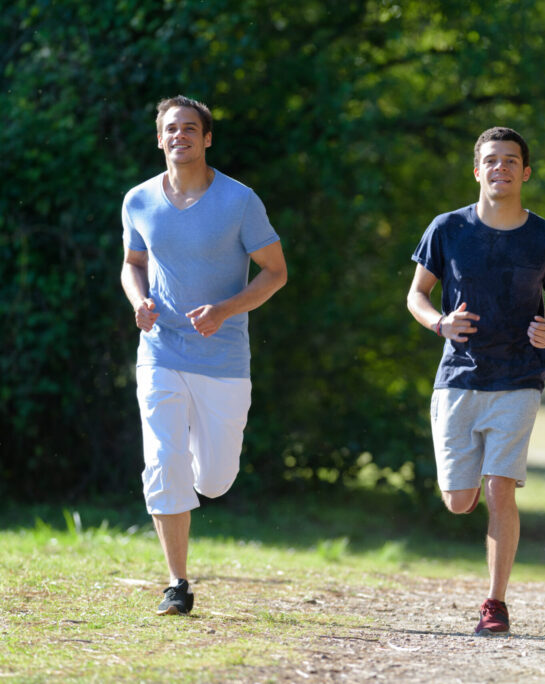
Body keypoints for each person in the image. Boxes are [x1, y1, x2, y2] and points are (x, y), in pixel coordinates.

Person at [407, 127, 545, 636]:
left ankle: (495, 603)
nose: (500, 168)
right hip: (458, 377)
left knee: (501, 489)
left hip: (520, 377)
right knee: (460, 501)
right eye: (491, 161)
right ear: (477, 170)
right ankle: (472, 482)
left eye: (510, 161)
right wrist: (438, 323)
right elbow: (417, 294)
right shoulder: (447, 229)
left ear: (525, 172)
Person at [120, 95, 287, 615]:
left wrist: (226, 310)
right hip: (162, 350)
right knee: (162, 460)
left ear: (207, 138)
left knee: (213, 479)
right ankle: (177, 582)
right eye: (171, 129)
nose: (180, 136)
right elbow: (132, 262)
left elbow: (275, 272)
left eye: (190, 129)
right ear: (159, 137)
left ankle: (190, 472)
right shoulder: (139, 200)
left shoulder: (239, 201)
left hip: (223, 361)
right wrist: (139, 300)